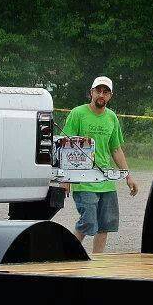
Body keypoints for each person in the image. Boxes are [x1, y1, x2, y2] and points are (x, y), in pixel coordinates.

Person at [60, 75, 138, 253]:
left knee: (105, 225)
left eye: (106, 92)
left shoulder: (111, 118)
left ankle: (97, 263)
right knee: (88, 221)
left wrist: (128, 176)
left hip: (106, 181)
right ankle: (67, 253)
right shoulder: (78, 114)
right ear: (91, 93)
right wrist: (65, 178)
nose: (101, 95)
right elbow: (66, 146)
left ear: (110, 96)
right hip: (83, 180)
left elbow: (116, 149)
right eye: (98, 91)